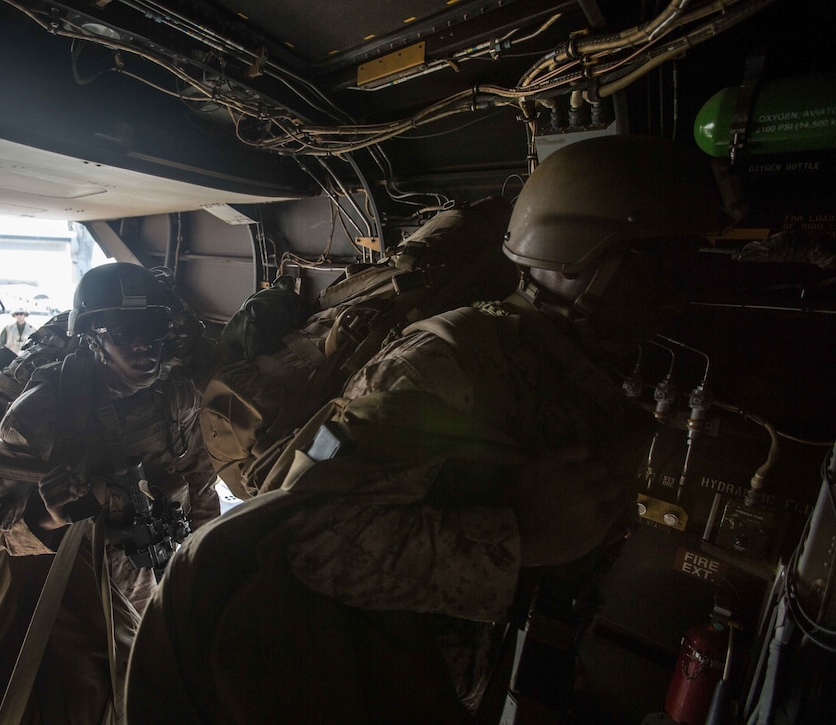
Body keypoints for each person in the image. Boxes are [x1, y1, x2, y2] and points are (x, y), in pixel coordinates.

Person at [125, 135, 726, 722]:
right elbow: (307, 536)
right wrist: (519, 538)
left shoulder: (571, 364)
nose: (674, 293)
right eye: (661, 264)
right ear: (580, 258)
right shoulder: (449, 363)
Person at [0, 263, 219, 725]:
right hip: (79, 582)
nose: (142, 345)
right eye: (123, 332)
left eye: (152, 329)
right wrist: (45, 516)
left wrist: (202, 557)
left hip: (156, 562)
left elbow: (197, 477)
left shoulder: (174, 394)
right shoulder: (48, 407)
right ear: (93, 338)